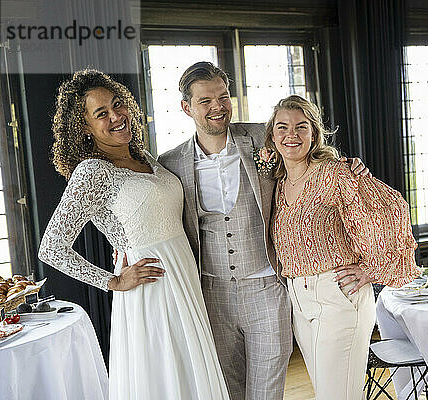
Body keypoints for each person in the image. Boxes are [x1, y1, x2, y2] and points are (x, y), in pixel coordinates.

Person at [158, 61, 370, 400]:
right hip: (212, 295)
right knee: (229, 389)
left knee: (268, 389)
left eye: (224, 97)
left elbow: (306, 145)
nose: (218, 107)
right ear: (186, 107)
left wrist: (348, 164)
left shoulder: (263, 136)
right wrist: (128, 245)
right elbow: (155, 212)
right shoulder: (169, 163)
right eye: (205, 101)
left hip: (267, 288)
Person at [38, 69, 229, 400]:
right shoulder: (92, 172)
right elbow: (51, 248)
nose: (115, 116)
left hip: (184, 280)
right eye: (101, 114)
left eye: (117, 104)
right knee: (166, 379)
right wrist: (113, 282)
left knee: (191, 375)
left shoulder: (144, 158)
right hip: (151, 291)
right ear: (84, 127)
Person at [265, 95, 420, 400]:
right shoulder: (276, 180)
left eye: (301, 127)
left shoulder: (336, 172)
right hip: (298, 299)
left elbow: (389, 209)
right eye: (282, 127)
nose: (291, 135)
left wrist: (371, 268)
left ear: (315, 133)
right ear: (271, 136)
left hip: (337, 294)